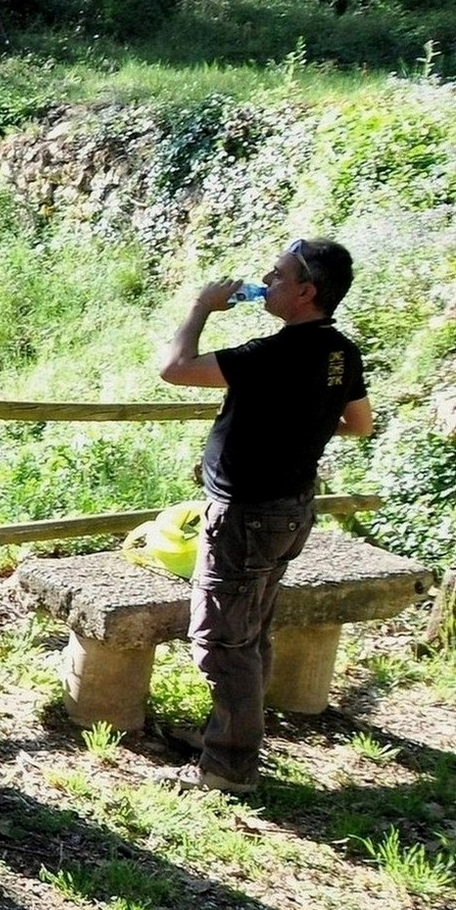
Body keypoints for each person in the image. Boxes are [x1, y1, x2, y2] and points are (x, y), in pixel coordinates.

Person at [156, 238, 373, 790]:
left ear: (305, 292)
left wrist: (202, 306)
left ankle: (229, 767)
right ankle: (229, 737)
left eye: (277, 275)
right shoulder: (341, 353)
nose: (266, 282)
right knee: (250, 632)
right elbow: (360, 424)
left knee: (222, 640)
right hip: (290, 510)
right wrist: (303, 424)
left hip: (247, 515)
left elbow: (175, 369)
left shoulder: (273, 354)